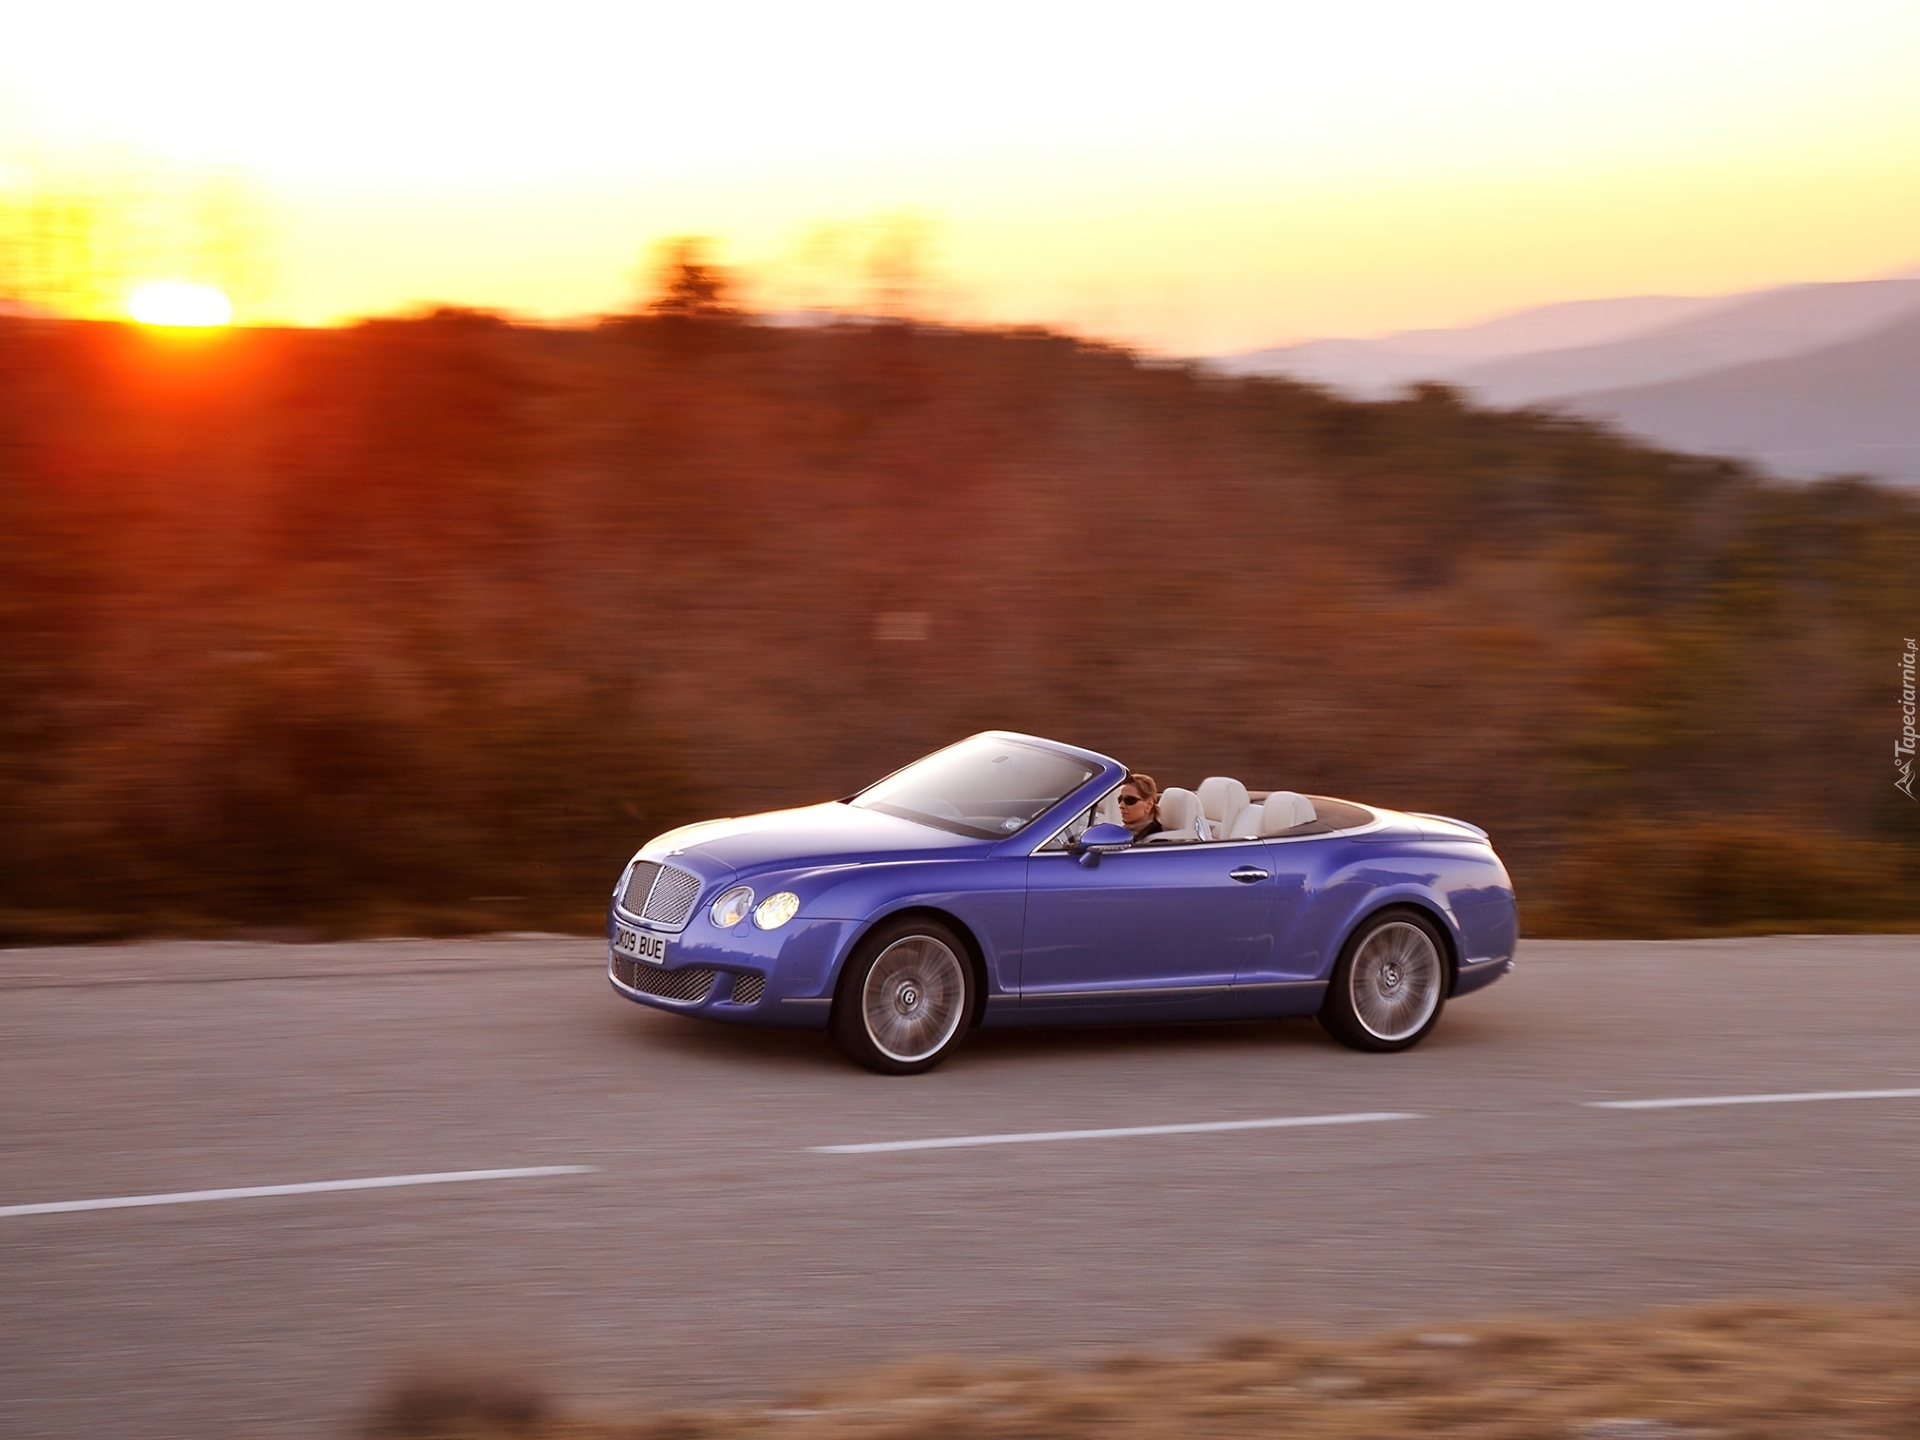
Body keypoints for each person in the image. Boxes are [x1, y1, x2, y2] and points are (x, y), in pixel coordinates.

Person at [1117, 773, 1163, 843]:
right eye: (1120, 799)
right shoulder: (1122, 833)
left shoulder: (1155, 842)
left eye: (1130, 800)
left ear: (1149, 805)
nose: (1121, 805)